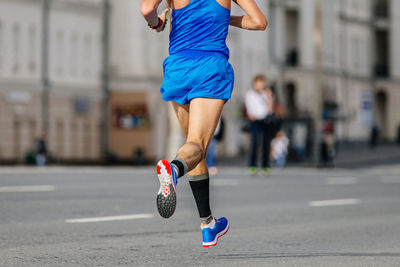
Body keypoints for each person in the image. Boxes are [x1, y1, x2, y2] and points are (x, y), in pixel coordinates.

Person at [140, 0, 267, 247]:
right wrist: (225, 18)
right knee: (197, 146)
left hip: (178, 66)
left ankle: (208, 223)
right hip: (209, 67)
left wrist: (156, 23)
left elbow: (147, 9)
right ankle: (173, 170)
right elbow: (259, 22)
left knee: (193, 146)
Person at [245, 75, 274, 176]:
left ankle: (265, 166)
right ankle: (252, 165)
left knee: (266, 143)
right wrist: (251, 115)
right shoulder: (250, 94)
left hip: (265, 120)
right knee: (255, 143)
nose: (261, 85)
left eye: (262, 82)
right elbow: (248, 107)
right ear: (255, 83)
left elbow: (271, 108)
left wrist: (269, 97)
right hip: (255, 120)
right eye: (259, 82)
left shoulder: (267, 94)